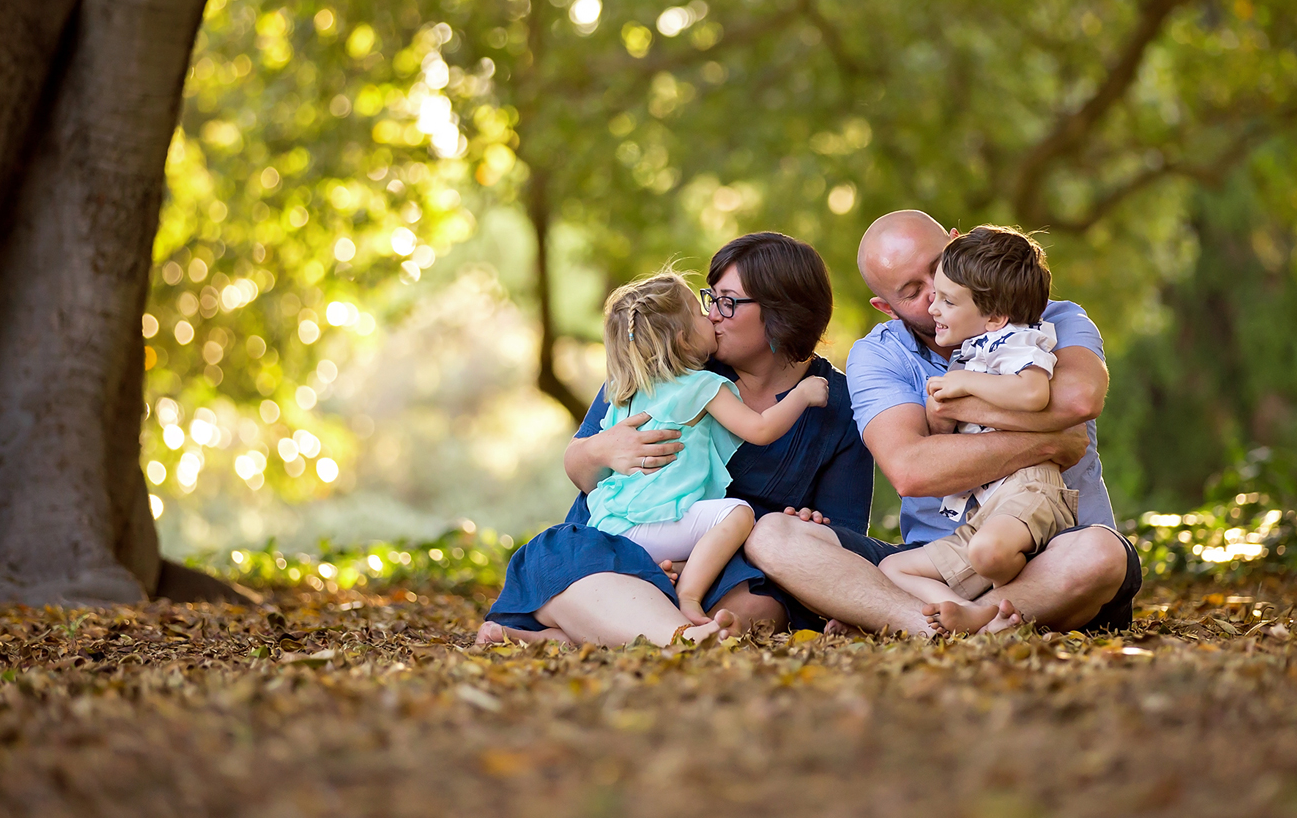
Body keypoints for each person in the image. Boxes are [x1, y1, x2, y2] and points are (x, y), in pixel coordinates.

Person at [745, 210, 1142, 637]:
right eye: (913, 291)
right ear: (887, 308)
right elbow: (912, 470)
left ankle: (912, 620)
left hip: (1056, 553)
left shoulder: (1051, 318)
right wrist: (1048, 440)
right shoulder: (879, 354)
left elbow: (1080, 399)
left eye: (938, 267)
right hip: (937, 566)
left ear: (957, 243)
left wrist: (956, 405)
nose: (936, 293)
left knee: (1101, 553)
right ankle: (942, 626)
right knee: (773, 536)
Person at [477, 232, 872, 648]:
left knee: (753, 607)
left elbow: (841, 535)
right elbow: (578, 466)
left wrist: (808, 528)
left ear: (782, 313)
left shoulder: (841, 406)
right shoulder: (669, 364)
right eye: (710, 299)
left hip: (732, 562)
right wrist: (602, 448)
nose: (713, 315)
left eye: (728, 302)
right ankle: (679, 636)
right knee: (567, 560)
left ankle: (584, 633)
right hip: (620, 541)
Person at [583, 270, 828, 624]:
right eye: (700, 313)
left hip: (609, 522)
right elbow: (760, 429)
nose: (711, 315)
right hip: (647, 525)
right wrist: (802, 395)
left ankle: (670, 569)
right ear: (683, 341)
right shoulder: (700, 386)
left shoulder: (628, 393)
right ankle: (690, 594)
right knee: (736, 515)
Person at [877, 225, 1079, 621]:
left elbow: (1033, 394)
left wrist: (965, 385)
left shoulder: (1016, 341)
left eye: (948, 301)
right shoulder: (970, 352)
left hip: (1029, 490)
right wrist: (939, 413)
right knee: (893, 569)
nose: (934, 306)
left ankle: (991, 607)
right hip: (982, 511)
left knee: (987, 554)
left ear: (995, 316)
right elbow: (942, 440)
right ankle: (974, 614)